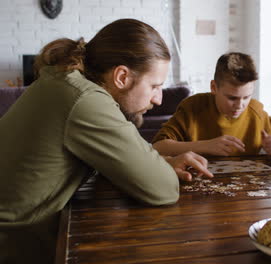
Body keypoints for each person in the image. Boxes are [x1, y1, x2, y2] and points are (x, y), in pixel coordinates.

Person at [0, 19, 213, 264]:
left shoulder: (66, 81)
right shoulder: (86, 100)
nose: (159, 98)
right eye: (154, 85)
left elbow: (130, 155)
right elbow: (163, 190)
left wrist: (164, 160)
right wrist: (161, 168)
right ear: (121, 76)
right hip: (15, 247)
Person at [152, 52, 271, 156]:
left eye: (246, 97)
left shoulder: (256, 110)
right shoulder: (193, 106)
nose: (240, 105)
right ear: (214, 87)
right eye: (232, 98)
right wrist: (205, 146)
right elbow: (158, 147)